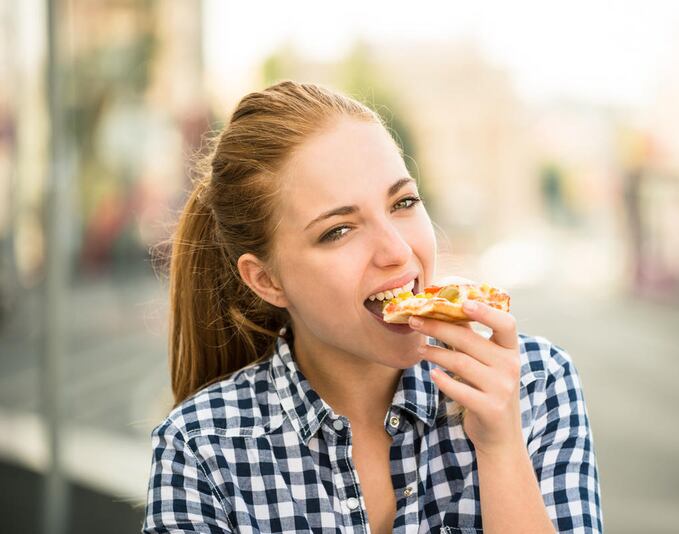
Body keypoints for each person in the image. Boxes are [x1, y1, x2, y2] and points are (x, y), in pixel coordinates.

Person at [142, 81, 603, 533]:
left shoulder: (536, 384)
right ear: (267, 280)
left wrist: (501, 448)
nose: (397, 250)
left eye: (403, 202)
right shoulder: (200, 448)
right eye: (339, 230)